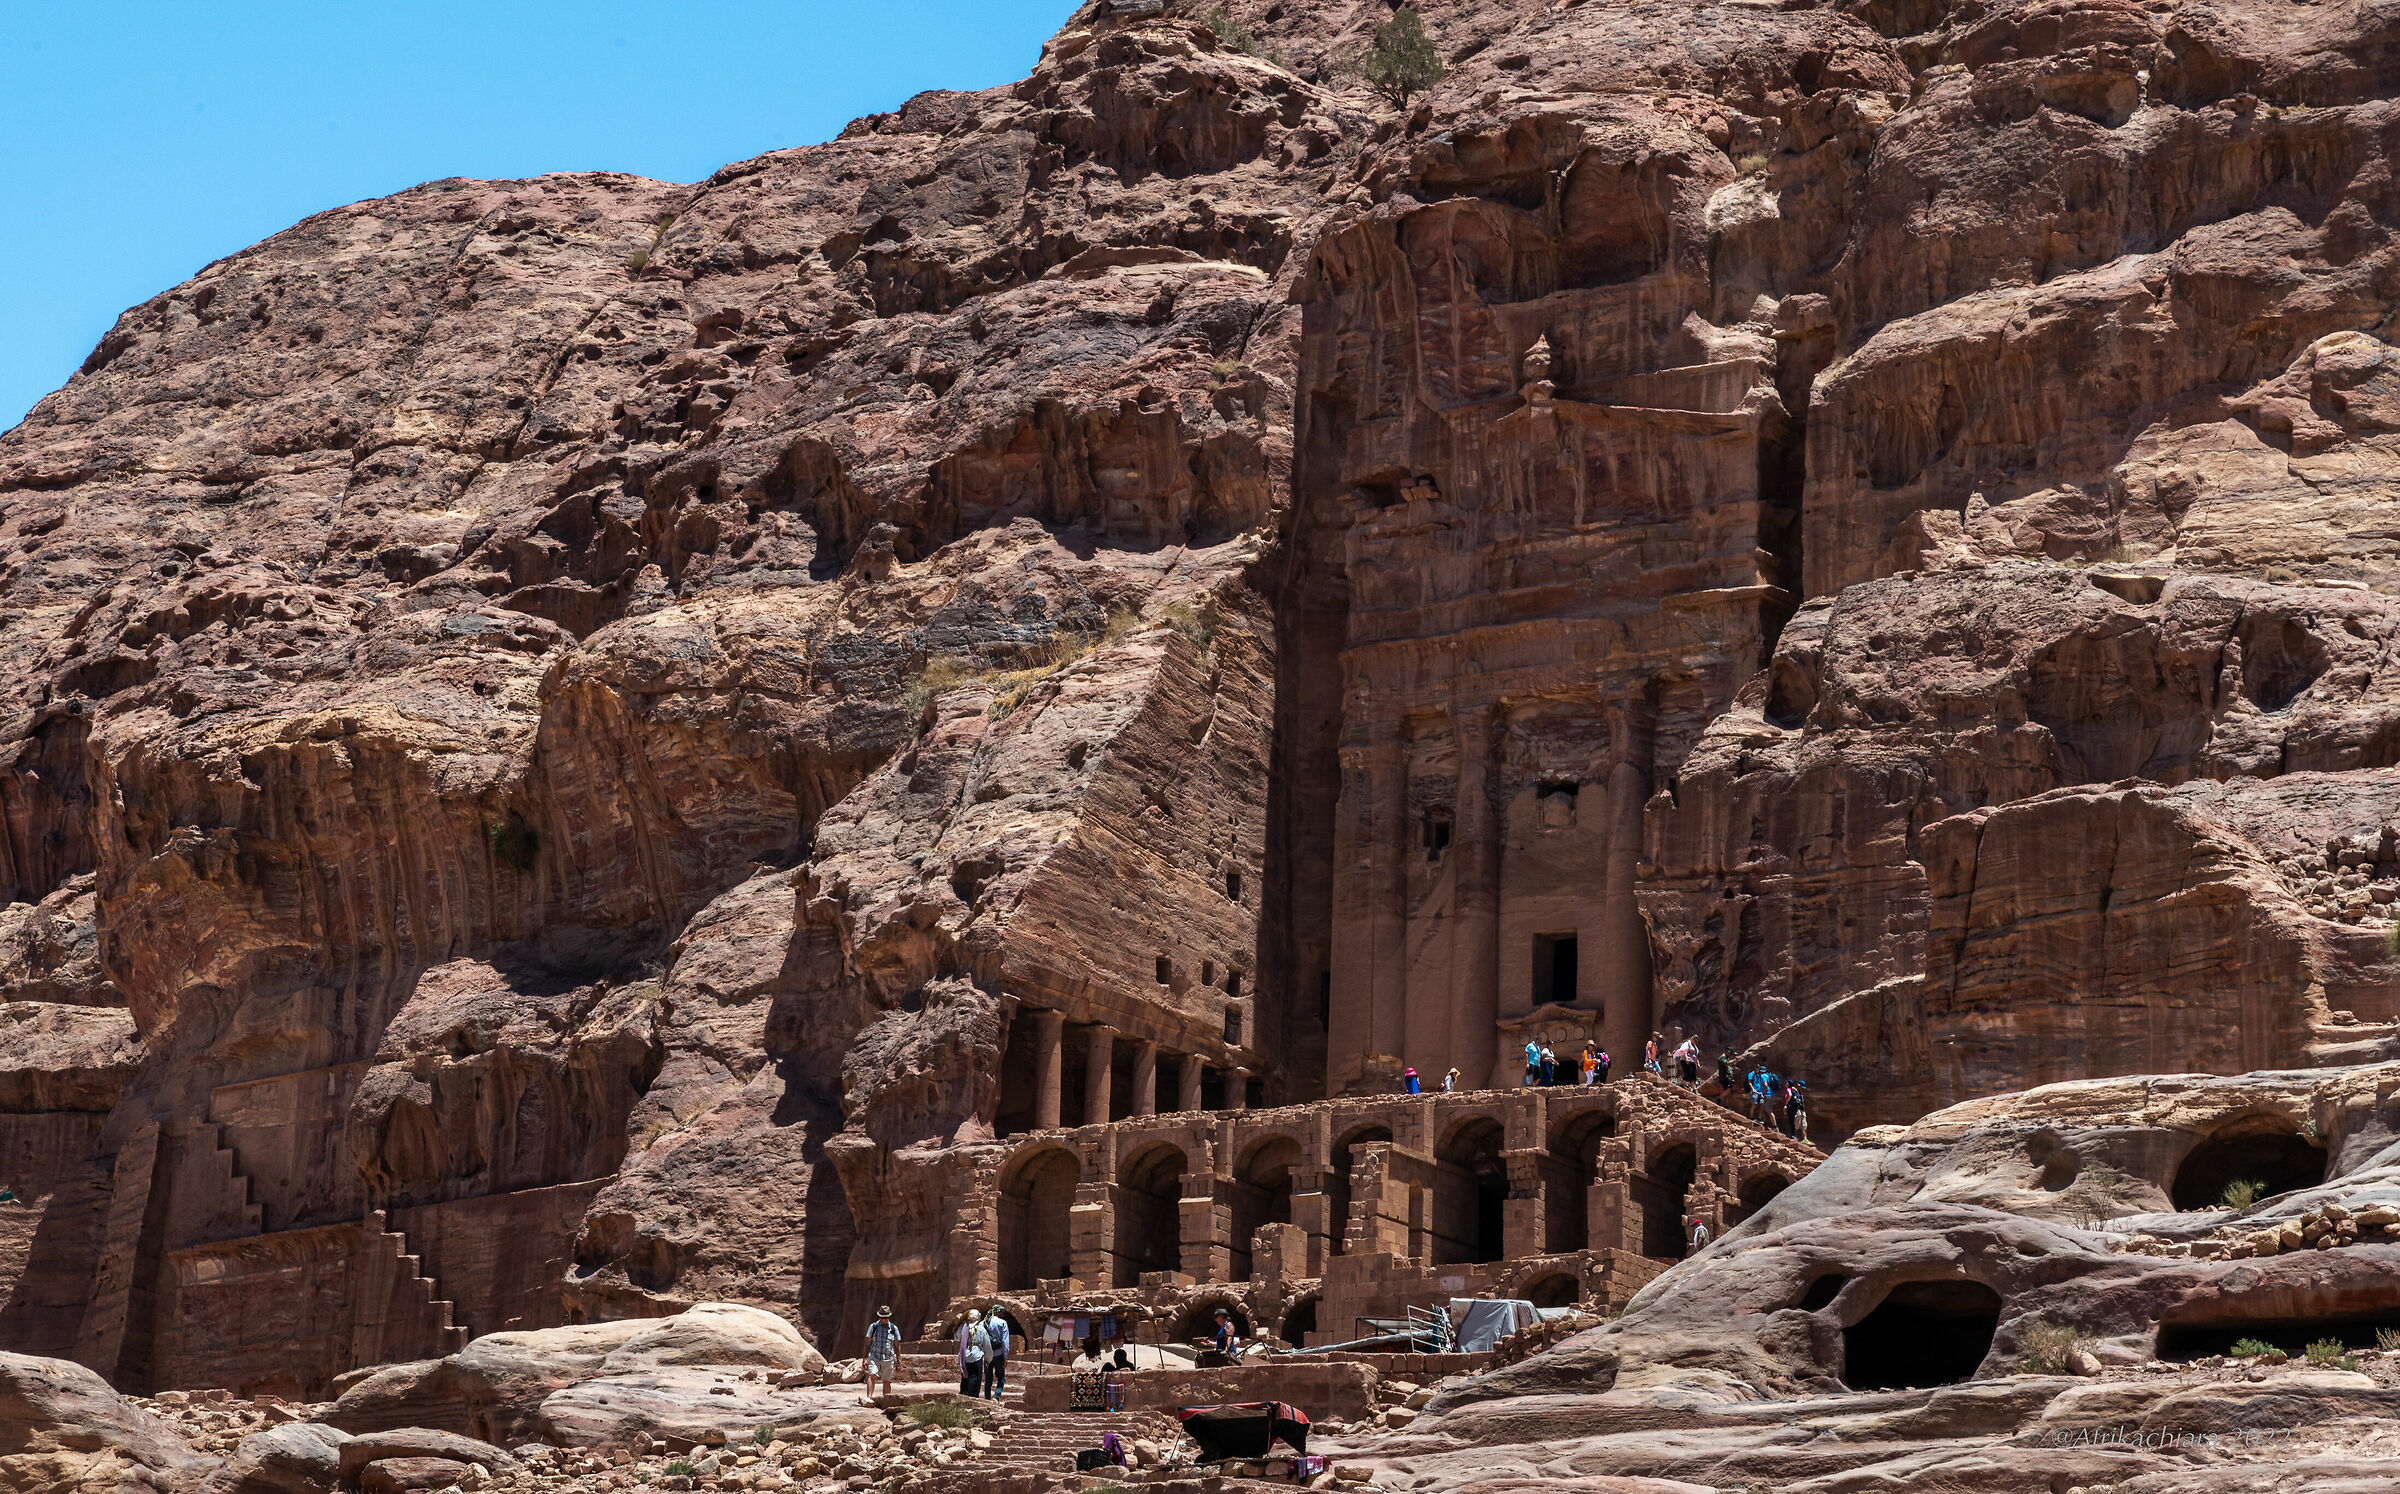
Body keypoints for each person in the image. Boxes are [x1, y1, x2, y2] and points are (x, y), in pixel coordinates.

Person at [864, 1305, 901, 1402]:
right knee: (872, 1375)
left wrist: (899, 1361)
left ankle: (886, 1400)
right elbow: (867, 1343)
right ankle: (869, 1398)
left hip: (888, 1357)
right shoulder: (873, 1327)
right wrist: (865, 1358)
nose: (884, 1319)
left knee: (887, 1381)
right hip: (874, 1355)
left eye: (886, 1317)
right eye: (882, 1317)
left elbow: (897, 1345)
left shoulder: (893, 1328)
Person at [982, 1304, 1011, 1400]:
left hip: (987, 1355)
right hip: (998, 1355)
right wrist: (1006, 1357)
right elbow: (1005, 1341)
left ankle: (987, 1398)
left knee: (988, 1379)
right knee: (1001, 1378)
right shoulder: (1002, 1323)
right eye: (1001, 1312)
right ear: (997, 1312)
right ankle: (996, 1396)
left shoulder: (983, 1323)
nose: (1003, 1314)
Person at [957, 1308, 988, 1398]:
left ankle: (963, 1394)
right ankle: (972, 1396)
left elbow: (957, 1337)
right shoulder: (981, 1329)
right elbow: (986, 1344)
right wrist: (988, 1358)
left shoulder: (964, 1327)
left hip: (964, 1354)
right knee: (975, 1376)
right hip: (976, 1355)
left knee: (965, 1375)